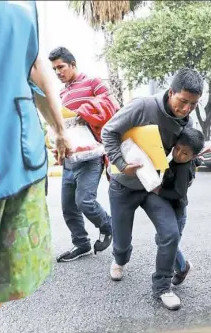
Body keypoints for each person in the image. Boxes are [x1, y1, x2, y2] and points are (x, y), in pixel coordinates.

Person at [0, 1, 69, 332]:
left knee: (12, 268)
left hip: (18, 155)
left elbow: (33, 63)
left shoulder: (27, 4)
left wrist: (59, 129)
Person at [101, 68, 204, 310]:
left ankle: (162, 286)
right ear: (171, 92)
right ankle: (120, 258)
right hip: (123, 185)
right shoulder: (142, 106)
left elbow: (181, 151)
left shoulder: (185, 120)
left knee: (170, 233)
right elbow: (109, 131)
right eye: (183, 101)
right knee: (122, 243)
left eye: (193, 104)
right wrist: (121, 163)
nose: (186, 109)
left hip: (152, 186)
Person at [49, 47, 119, 262]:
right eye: (54, 69)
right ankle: (81, 244)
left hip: (91, 156)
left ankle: (108, 226)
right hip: (70, 157)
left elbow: (111, 105)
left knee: (84, 202)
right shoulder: (61, 94)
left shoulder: (92, 82)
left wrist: (83, 113)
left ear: (73, 64)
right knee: (68, 207)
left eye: (61, 67)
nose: (58, 72)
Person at [153, 127, 205, 286]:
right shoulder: (181, 161)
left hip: (177, 212)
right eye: (177, 149)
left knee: (167, 242)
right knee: (163, 240)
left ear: (193, 156)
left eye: (184, 153)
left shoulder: (182, 168)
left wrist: (159, 191)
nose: (178, 155)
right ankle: (180, 266)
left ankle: (182, 267)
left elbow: (178, 193)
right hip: (172, 210)